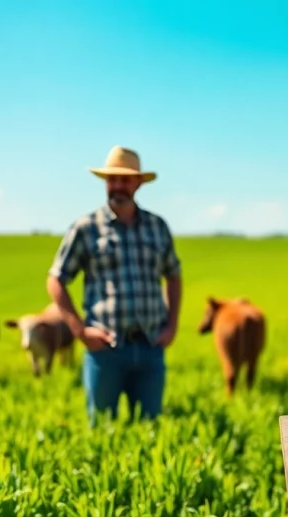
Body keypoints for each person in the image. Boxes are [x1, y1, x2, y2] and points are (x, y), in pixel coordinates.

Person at [47, 145, 183, 425]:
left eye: (125, 179)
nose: (118, 186)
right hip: (105, 350)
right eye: (112, 179)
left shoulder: (157, 227)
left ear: (138, 183)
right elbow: (56, 280)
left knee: (150, 428)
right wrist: (79, 330)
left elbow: (174, 274)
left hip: (149, 346)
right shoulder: (86, 228)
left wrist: (171, 326)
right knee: (102, 430)